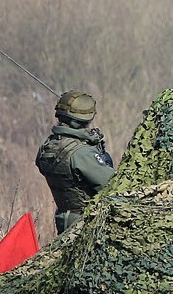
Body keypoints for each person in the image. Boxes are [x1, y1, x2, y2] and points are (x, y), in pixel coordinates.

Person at [34, 91, 116, 234]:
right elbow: (112, 184)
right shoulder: (81, 153)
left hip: (63, 220)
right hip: (85, 223)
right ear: (86, 119)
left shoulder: (48, 146)